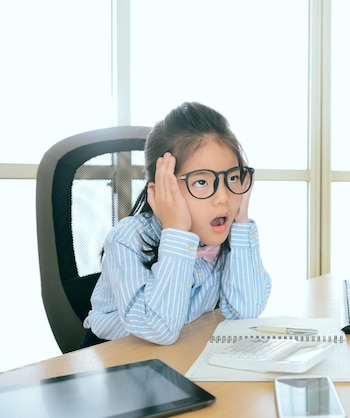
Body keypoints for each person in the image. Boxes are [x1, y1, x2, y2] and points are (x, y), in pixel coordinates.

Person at [81, 102, 272, 347]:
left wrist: (242, 222)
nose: (223, 197)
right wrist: (177, 235)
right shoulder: (127, 238)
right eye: (201, 182)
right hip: (113, 356)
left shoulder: (219, 233)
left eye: (233, 178)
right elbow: (159, 330)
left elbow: (246, 312)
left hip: (180, 349)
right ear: (160, 191)